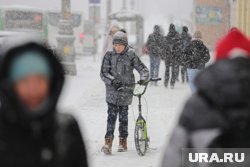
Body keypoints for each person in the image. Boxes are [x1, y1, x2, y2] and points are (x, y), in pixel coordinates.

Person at [161, 29, 250, 167]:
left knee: (194, 88)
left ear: (220, 61)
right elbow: (206, 57)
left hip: (192, 70)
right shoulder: (202, 47)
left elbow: (174, 156)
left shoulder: (197, 106)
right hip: (199, 67)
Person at [0, 41, 88, 167]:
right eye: (24, 80)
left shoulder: (67, 128)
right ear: (10, 85)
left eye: (40, 79)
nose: (33, 88)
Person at [100, 31, 149, 155]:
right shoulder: (109, 55)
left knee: (123, 118)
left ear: (125, 44)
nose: (117, 48)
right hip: (112, 91)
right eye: (115, 45)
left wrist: (143, 78)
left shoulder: (131, 55)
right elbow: (103, 73)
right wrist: (113, 81)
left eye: (120, 45)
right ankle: (108, 143)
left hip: (126, 90)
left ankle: (123, 142)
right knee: (111, 117)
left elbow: (142, 69)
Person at [163, 24, 182, 89]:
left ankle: (166, 82)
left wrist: (164, 55)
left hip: (168, 56)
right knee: (174, 70)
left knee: (167, 70)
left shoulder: (167, 37)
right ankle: (172, 83)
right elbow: (180, 48)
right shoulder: (178, 37)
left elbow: (164, 48)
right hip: (175, 56)